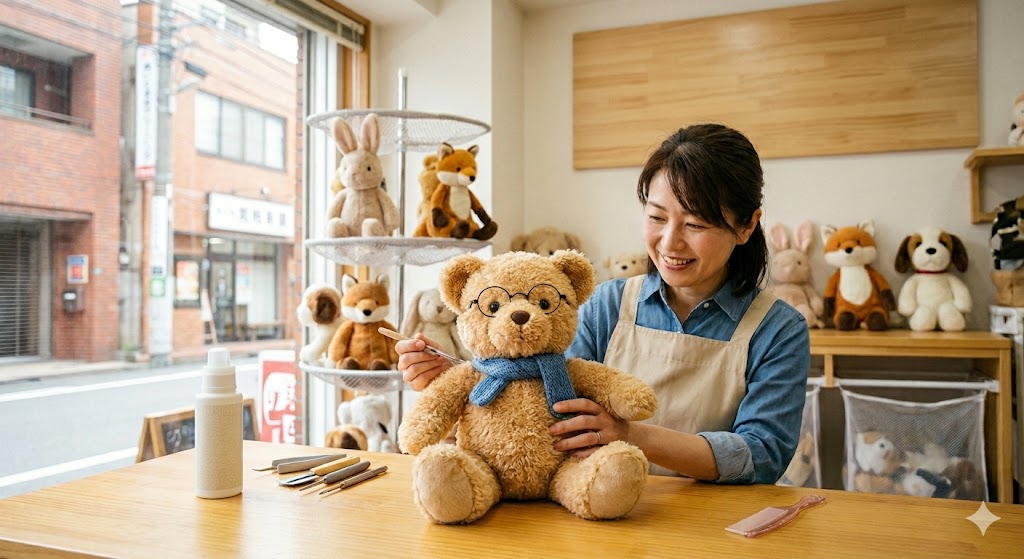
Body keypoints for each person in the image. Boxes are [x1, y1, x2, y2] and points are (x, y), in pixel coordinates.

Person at [397, 123, 810, 485]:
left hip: (716, 530)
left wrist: (631, 434)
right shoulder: (607, 304)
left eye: (696, 224)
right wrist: (459, 381)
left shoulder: (778, 329)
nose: (669, 243)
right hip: (600, 515)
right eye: (657, 217)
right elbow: (542, 404)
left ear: (747, 225)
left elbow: (762, 455)